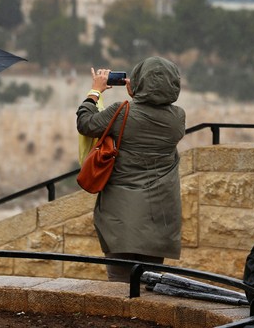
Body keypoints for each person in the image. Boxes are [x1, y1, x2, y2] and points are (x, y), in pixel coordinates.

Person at [76, 58, 186, 282]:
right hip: (160, 217)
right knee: (149, 286)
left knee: (119, 286)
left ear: (137, 82)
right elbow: (149, 114)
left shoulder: (122, 111)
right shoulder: (177, 118)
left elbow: (85, 123)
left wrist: (95, 91)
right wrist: (138, 94)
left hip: (121, 217)